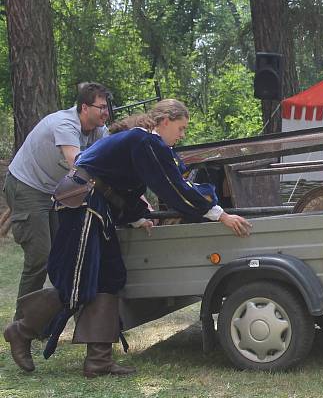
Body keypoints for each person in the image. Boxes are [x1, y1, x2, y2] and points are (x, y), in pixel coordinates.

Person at [3, 99, 253, 377]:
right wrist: (219, 215)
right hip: (83, 206)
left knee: (109, 278)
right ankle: (21, 330)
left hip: (98, 207)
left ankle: (98, 360)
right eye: (181, 128)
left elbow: (124, 184)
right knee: (77, 282)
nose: (182, 135)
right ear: (165, 121)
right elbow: (172, 187)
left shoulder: (144, 144)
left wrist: (135, 217)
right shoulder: (145, 141)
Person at [3, 83, 111, 319]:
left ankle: (50, 320)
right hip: (27, 187)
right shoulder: (65, 124)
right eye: (101, 107)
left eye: (107, 107)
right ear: (84, 107)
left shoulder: (99, 130)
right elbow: (78, 165)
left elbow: (109, 161)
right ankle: (22, 325)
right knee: (40, 258)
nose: (106, 112)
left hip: (54, 191)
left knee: (61, 255)